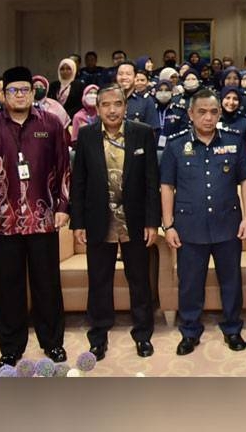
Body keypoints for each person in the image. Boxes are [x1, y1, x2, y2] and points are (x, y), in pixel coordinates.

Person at [0, 66, 70, 368]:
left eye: (25, 90)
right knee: (6, 287)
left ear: (33, 92)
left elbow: (64, 167)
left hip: (43, 219)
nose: (19, 95)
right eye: (13, 90)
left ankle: (52, 343)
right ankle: (11, 348)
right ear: (2, 94)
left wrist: (64, 207)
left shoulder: (51, 124)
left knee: (47, 285)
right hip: (2, 222)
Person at [69, 85, 160, 361]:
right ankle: (98, 337)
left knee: (139, 281)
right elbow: (79, 182)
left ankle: (143, 335)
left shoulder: (142, 133)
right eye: (105, 105)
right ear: (97, 108)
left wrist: (151, 222)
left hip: (134, 221)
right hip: (99, 220)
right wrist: (78, 223)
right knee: (99, 282)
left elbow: (151, 182)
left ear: (125, 106)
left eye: (117, 104)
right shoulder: (86, 136)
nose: (112, 110)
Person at [160, 89, 246, 355]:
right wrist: (168, 225)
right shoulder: (176, 145)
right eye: (201, 112)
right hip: (189, 227)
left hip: (228, 225)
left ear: (220, 113)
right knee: (190, 282)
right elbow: (166, 186)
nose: (208, 117)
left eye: (213, 112)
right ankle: (189, 331)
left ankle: (233, 328)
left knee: (231, 281)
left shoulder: (234, 142)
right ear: (190, 114)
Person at [116, 61, 159, 132]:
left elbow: (152, 131)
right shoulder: (109, 99)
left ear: (135, 77)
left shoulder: (146, 101)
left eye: (128, 74)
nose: (124, 77)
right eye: (120, 74)